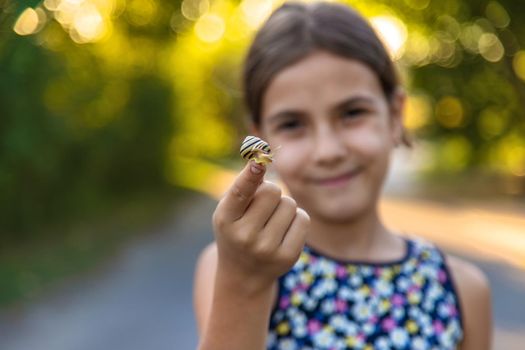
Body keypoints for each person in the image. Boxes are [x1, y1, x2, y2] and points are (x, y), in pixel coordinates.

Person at [193, 2, 492, 349]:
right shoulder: (232, 268)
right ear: (262, 135)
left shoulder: (460, 290)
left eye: (352, 113)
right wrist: (245, 283)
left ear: (395, 116)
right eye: (292, 124)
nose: (328, 151)